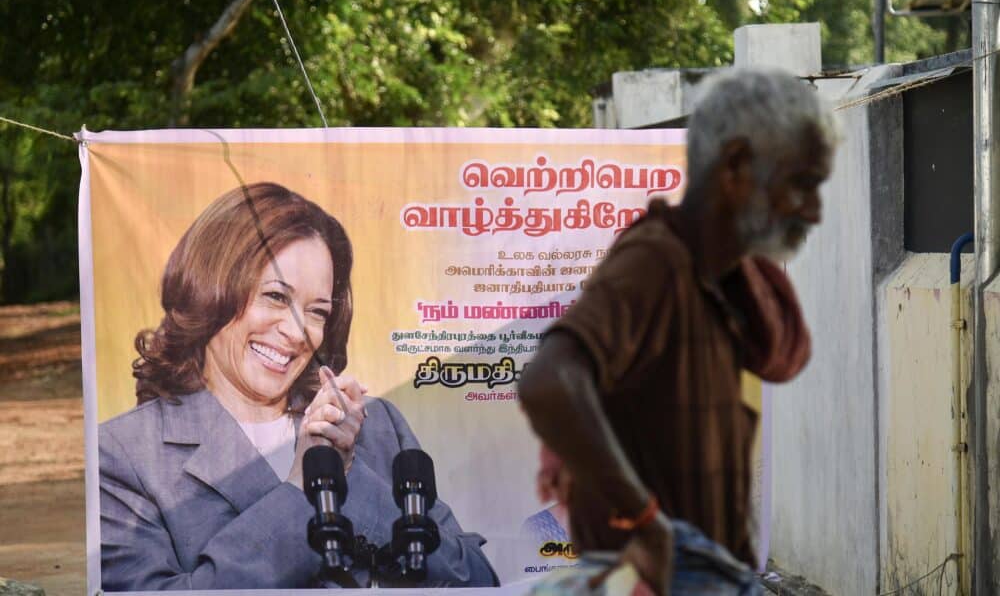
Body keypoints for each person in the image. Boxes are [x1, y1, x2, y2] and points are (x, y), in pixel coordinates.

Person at [518, 67, 837, 595]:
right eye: (799, 184)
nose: (814, 209)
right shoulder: (656, 260)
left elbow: (782, 354)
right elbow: (547, 381)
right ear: (735, 166)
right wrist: (643, 518)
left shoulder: (710, 273)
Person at [99, 182, 499, 590]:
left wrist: (350, 476)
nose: (296, 332)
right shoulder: (124, 455)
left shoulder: (376, 425)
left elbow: (479, 581)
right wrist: (301, 492)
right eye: (275, 296)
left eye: (317, 312)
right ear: (210, 289)